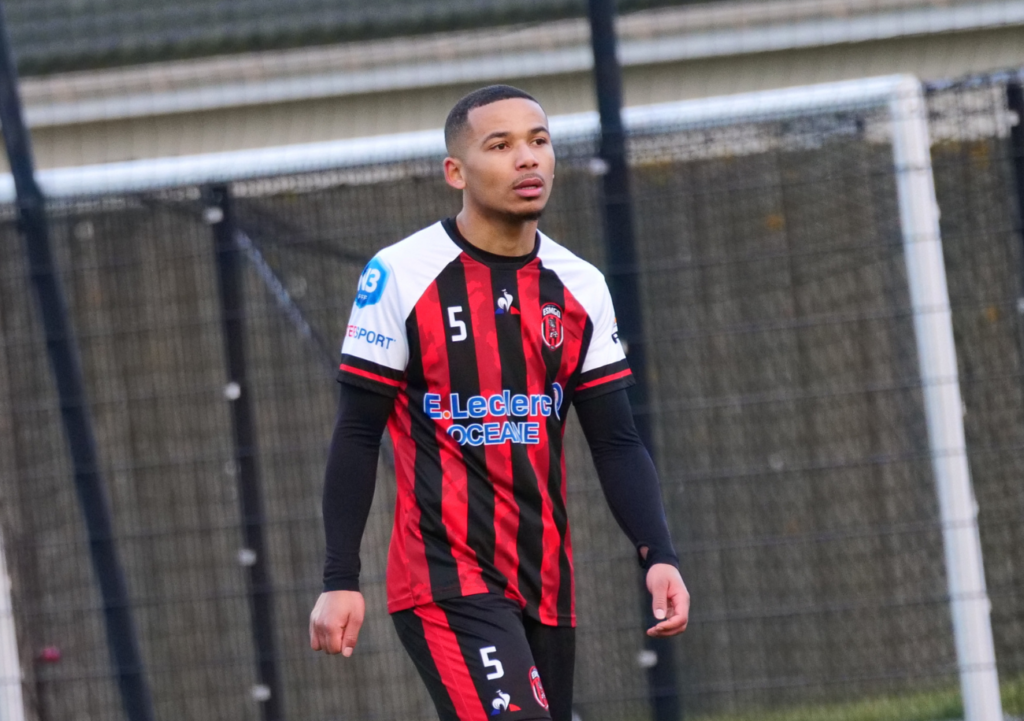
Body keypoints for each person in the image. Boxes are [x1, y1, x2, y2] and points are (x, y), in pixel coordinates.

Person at [309, 84, 689, 721]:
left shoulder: (579, 284)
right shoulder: (401, 274)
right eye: (501, 144)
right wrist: (338, 579)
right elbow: (354, 434)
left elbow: (617, 441)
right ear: (455, 171)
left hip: (546, 583)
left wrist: (659, 554)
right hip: (444, 578)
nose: (527, 159)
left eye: (539, 141)